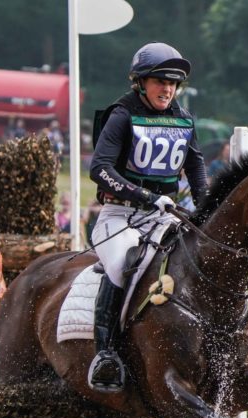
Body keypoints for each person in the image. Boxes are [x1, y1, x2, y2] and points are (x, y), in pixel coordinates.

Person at [87, 42, 208, 392]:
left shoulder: (183, 120)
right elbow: (100, 168)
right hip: (120, 217)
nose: (167, 89)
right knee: (124, 260)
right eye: (159, 81)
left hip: (164, 216)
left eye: (173, 83)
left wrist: (205, 209)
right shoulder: (122, 114)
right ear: (140, 82)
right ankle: (105, 354)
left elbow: (196, 167)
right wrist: (146, 196)